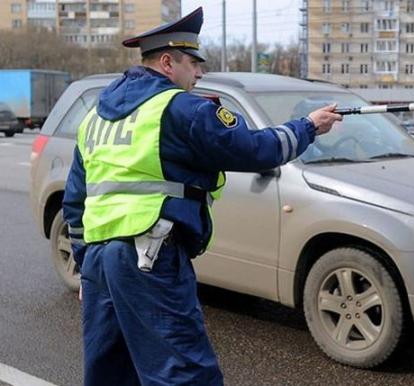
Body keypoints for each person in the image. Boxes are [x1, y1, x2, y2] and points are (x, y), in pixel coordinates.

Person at [62, 6, 342, 386]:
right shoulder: (180, 107)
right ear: (167, 62)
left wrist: (84, 269)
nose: (200, 72)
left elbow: (76, 200)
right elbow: (256, 149)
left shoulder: (96, 116)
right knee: (185, 374)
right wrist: (309, 126)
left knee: (111, 372)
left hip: (98, 262)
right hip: (149, 254)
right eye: (193, 63)